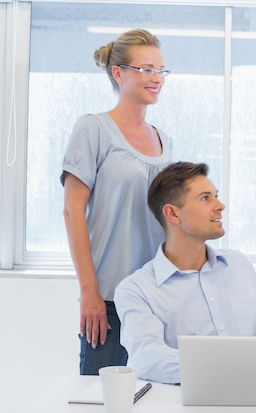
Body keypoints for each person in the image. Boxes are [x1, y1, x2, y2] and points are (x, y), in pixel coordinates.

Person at [114, 162, 256, 384]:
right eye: (205, 198)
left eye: (216, 195)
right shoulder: (137, 289)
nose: (220, 206)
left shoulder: (239, 265)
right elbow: (147, 358)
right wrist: (226, 371)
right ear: (173, 213)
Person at [61, 29, 173, 375]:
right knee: (101, 399)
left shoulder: (165, 141)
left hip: (157, 296)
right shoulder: (93, 129)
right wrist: (89, 292)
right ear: (118, 73)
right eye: (146, 69)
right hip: (109, 298)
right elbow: (72, 211)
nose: (156, 79)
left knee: (159, 398)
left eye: (161, 70)